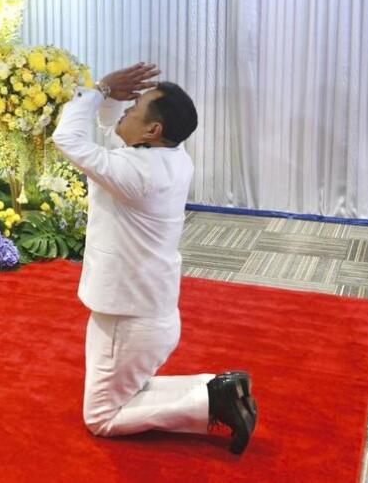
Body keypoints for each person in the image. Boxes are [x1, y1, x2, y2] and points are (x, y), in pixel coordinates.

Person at [51, 62, 258, 455]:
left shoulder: (136, 173)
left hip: (128, 320)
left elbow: (68, 138)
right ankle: (219, 387)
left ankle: (213, 400)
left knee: (102, 417)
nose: (127, 110)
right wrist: (111, 99)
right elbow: (114, 132)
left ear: (153, 130)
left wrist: (101, 89)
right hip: (148, 311)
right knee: (128, 391)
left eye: (135, 107)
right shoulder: (170, 157)